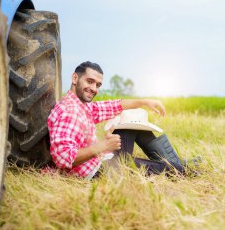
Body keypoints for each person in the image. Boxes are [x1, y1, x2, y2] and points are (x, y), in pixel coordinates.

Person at [47, 61, 189, 179]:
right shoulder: (69, 111)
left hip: (101, 161)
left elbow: (111, 106)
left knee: (130, 124)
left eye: (97, 85)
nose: (93, 88)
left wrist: (144, 102)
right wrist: (102, 146)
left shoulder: (81, 105)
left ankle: (177, 163)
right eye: (89, 81)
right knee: (166, 169)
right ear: (75, 79)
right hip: (97, 173)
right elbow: (63, 158)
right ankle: (183, 168)